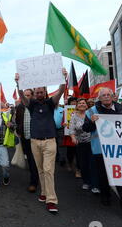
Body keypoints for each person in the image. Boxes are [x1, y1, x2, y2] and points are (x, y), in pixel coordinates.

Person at [15, 67, 68, 214]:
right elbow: (21, 96)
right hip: (34, 142)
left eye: (41, 92)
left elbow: (61, 91)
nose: (39, 94)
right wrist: (18, 82)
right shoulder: (31, 105)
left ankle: (51, 200)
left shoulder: (51, 103)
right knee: (40, 170)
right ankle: (44, 192)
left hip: (50, 141)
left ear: (45, 92)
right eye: (36, 92)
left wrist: (63, 78)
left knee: (48, 170)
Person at [82, 88, 122, 220]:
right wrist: (92, 122)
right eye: (103, 95)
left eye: (108, 95)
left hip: (120, 149)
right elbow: (85, 128)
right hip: (100, 149)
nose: (106, 97)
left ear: (113, 97)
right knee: (103, 175)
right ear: (99, 98)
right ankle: (105, 196)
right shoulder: (91, 111)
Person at [15, 89, 39, 193]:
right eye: (24, 95)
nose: (26, 97)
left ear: (32, 96)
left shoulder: (37, 105)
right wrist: (17, 129)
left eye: (28, 95)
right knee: (31, 160)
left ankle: (34, 183)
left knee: (35, 161)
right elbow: (17, 121)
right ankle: (34, 179)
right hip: (25, 138)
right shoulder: (20, 107)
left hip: (37, 138)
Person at [69, 98, 94, 191]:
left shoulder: (91, 114)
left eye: (84, 103)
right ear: (77, 106)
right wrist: (73, 137)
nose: (82, 104)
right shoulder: (74, 116)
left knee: (92, 163)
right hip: (81, 143)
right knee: (83, 163)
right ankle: (86, 182)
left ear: (87, 105)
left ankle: (94, 183)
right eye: (79, 103)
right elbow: (71, 129)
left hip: (92, 142)